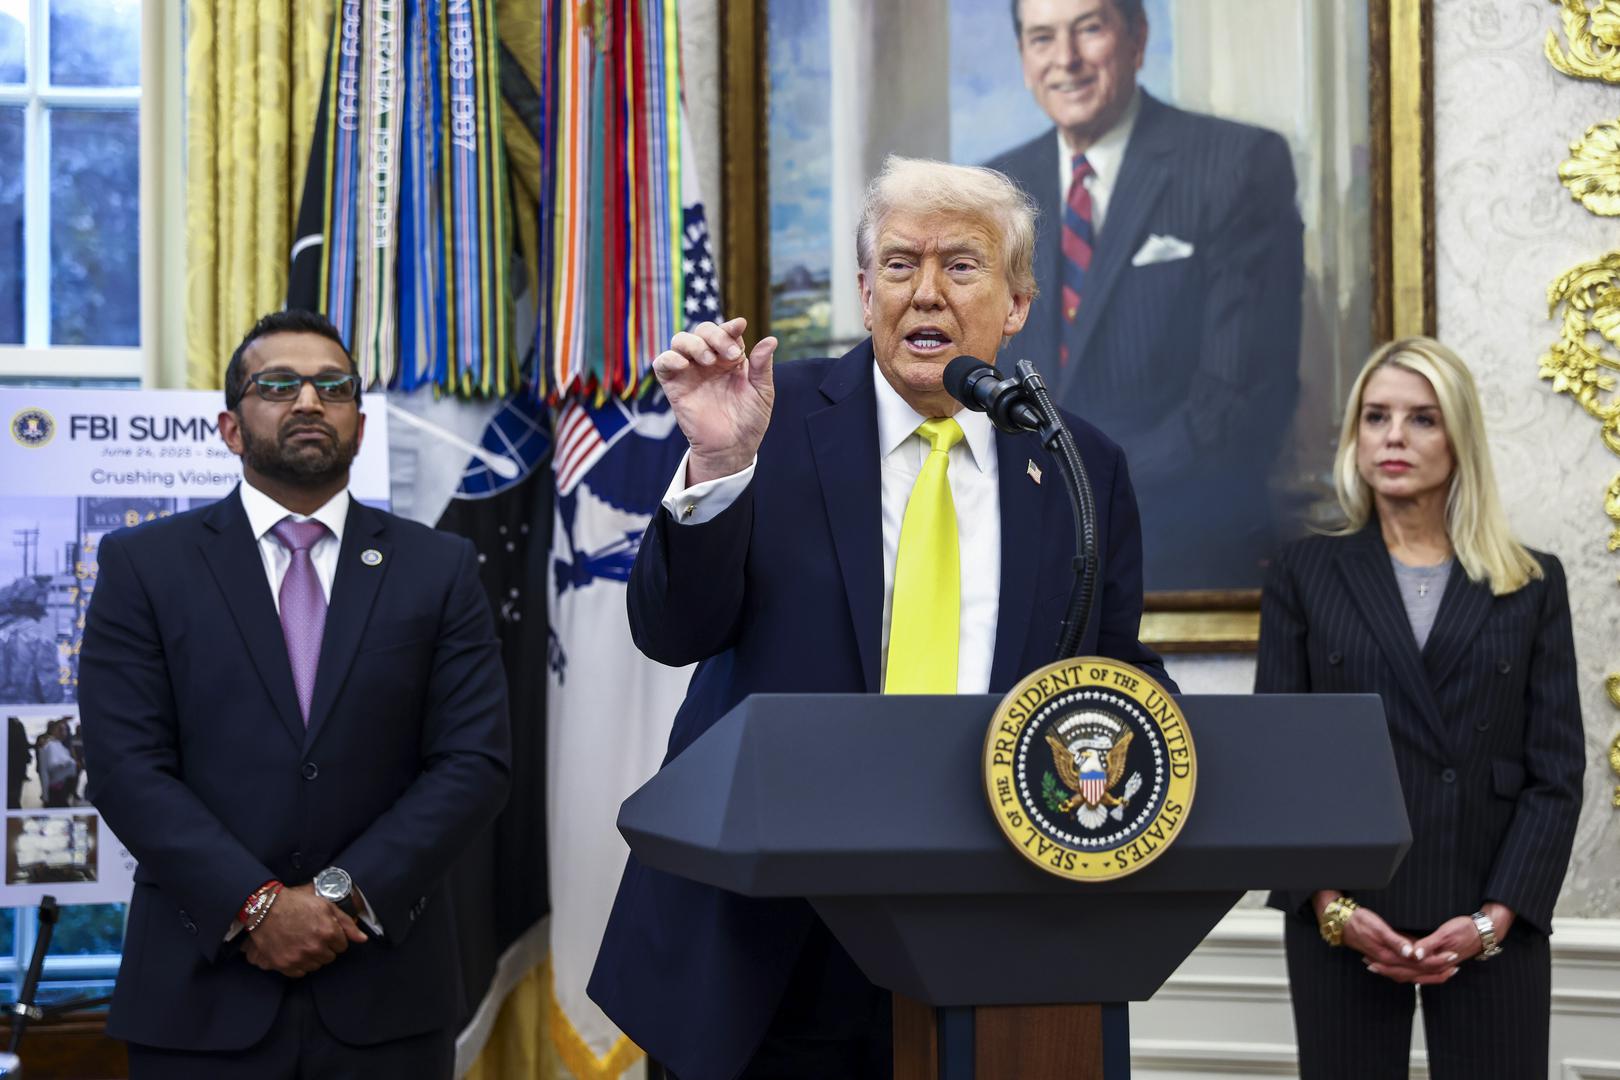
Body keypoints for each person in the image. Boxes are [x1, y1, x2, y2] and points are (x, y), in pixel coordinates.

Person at [589, 156, 1175, 1080]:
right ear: (866, 295)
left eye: (962, 266)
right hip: (762, 938)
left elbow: (1107, 674)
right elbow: (672, 633)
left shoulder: (1076, 466)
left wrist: (1161, 741)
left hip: (986, 931)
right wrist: (718, 469)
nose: (925, 292)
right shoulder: (763, 420)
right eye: (900, 265)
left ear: (1018, 304)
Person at [78, 310, 511, 1079]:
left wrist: (339, 896)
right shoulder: (144, 566)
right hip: (198, 995)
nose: (309, 401)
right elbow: (125, 767)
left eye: (333, 387)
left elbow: (473, 764)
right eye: (278, 385)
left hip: (385, 994)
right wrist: (255, 905)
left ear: (360, 426)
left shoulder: (439, 568)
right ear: (231, 428)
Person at [1255, 337, 1584, 1079]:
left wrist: (1493, 920)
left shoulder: (1531, 584)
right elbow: (1279, 766)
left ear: (1459, 437)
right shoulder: (1306, 573)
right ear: (1355, 437)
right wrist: (1331, 908)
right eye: (1376, 417)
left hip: (1491, 915)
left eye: (1422, 419)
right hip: (1344, 918)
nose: (1394, 436)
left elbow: (1556, 775)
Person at [985, 0, 1305, 589]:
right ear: (1024, 58)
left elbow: (1238, 401)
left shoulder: (1236, 164)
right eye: (1042, 38)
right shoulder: (995, 190)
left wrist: (1082, 487)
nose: (1066, 59)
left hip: (1184, 552)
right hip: (1023, 557)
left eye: (1089, 28)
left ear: (1137, 38)